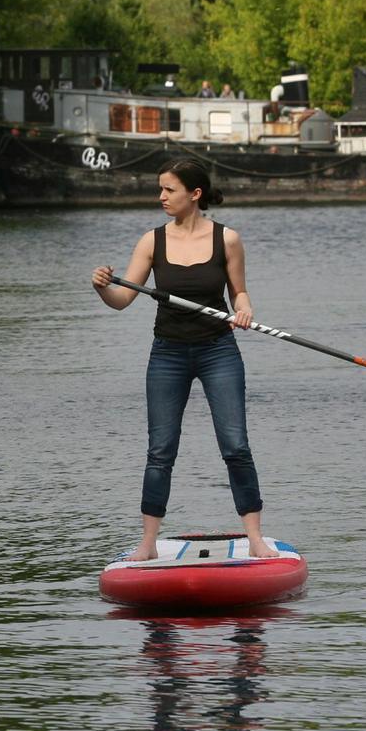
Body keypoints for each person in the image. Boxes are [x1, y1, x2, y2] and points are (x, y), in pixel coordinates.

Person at [90, 159, 278, 562]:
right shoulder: (151, 242)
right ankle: (147, 544)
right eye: (159, 189)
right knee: (161, 449)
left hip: (218, 352)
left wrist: (243, 310)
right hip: (168, 354)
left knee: (235, 445)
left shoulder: (227, 239)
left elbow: (239, 294)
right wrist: (102, 288)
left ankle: (256, 539)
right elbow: (122, 300)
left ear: (194, 195)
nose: (161, 197)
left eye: (169, 190)